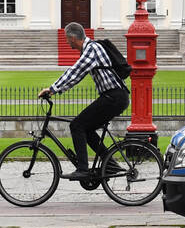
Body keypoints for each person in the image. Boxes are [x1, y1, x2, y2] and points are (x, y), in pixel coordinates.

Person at [38, 22, 128, 180]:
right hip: (114, 97)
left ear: (72, 38)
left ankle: (83, 169)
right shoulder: (90, 49)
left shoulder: (91, 49)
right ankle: (111, 165)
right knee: (87, 129)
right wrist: (58, 89)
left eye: (67, 39)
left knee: (77, 125)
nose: (67, 42)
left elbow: (75, 71)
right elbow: (77, 76)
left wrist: (52, 89)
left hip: (113, 97)